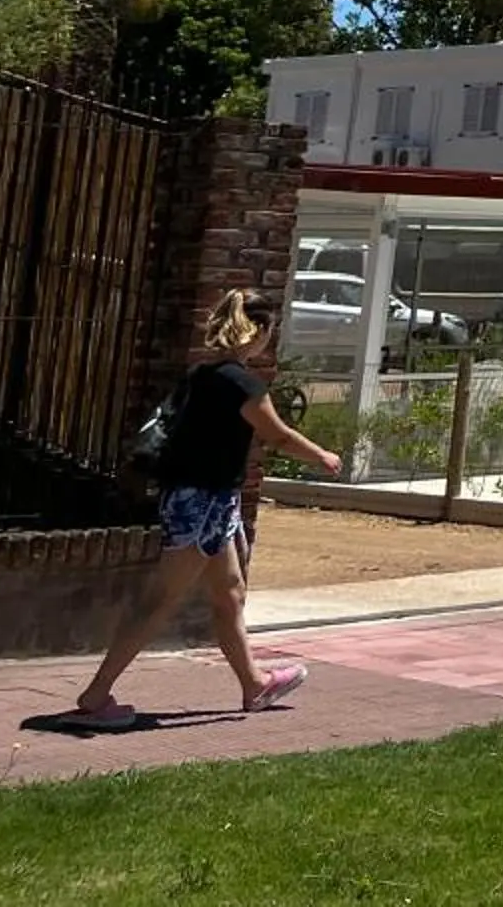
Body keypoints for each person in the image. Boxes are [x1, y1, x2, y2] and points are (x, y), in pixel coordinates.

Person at [73, 288, 340, 729]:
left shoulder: (201, 374)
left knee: (230, 592)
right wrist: (323, 456)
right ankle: (96, 695)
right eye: (269, 332)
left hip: (209, 501)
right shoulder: (242, 383)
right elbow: (278, 437)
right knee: (160, 600)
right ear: (258, 330)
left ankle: (255, 686)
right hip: (202, 503)